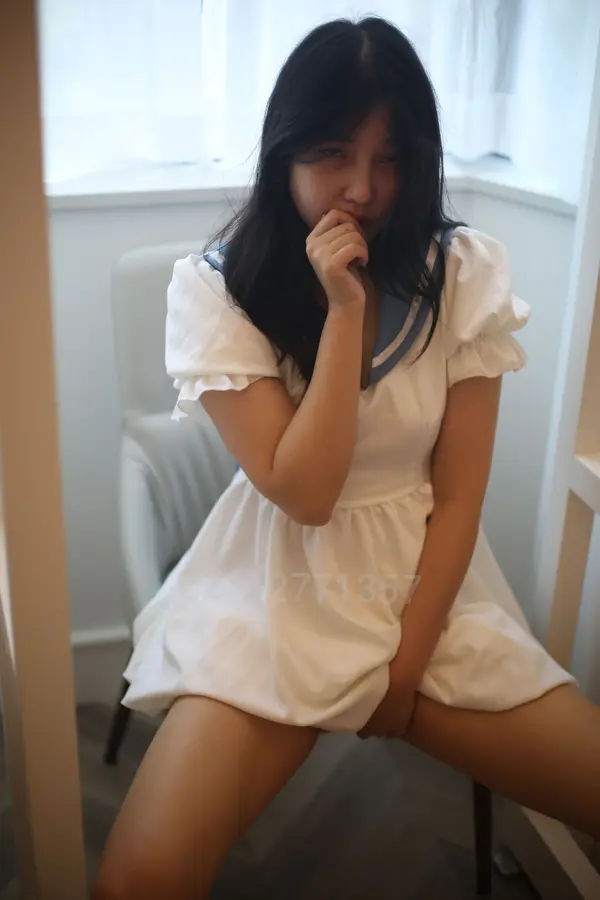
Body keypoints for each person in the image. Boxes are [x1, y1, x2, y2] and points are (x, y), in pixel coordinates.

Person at [92, 16, 600, 900]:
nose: (363, 188)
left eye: (390, 158)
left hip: (426, 585)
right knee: (139, 879)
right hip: (274, 587)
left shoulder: (463, 273)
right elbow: (307, 493)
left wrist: (403, 672)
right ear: (284, 149)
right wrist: (346, 312)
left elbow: (459, 495)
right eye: (334, 152)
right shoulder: (214, 288)